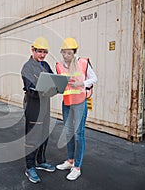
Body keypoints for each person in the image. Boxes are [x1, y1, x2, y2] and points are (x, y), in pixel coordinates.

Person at [55, 37, 97, 180]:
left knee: (79, 134)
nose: (66, 56)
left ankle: (77, 167)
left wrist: (81, 83)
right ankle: (70, 160)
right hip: (67, 102)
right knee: (68, 133)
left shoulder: (83, 63)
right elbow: (60, 84)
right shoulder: (59, 66)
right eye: (64, 53)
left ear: (74, 52)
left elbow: (94, 78)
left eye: (69, 53)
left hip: (79, 102)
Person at [21, 36, 57, 183]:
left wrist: (56, 88)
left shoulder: (46, 65)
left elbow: (54, 81)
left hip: (45, 106)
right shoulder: (27, 68)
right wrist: (45, 90)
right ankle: (30, 167)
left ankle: (41, 161)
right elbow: (31, 89)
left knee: (44, 134)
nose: (42, 55)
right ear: (33, 50)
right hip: (33, 107)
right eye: (40, 51)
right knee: (33, 137)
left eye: (45, 52)